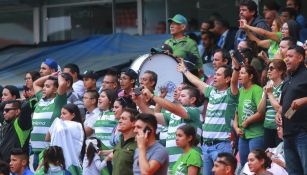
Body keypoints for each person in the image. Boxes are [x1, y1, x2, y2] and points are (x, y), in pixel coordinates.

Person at [177, 57, 239, 175]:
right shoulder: (211, 91)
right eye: (215, 74)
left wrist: (236, 69)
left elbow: (234, 82)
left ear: (227, 79)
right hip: (206, 147)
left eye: (219, 75)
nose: (214, 77)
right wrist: (185, 70)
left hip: (221, 146)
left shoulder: (231, 94)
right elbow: (196, 81)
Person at [137, 85, 202, 171]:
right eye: (179, 96)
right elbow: (152, 116)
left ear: (192, 99)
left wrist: (152, 96)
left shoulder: (195, 112)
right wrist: (138, 101)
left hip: (188, 160)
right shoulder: (173, 115)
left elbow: (173, 108)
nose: (179, 99)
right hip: (171, 164)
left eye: (183, 96)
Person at [276, 45, 307, 174]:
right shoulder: (288, 78)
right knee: (293, 172)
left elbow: (298, 102)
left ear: (300, 58)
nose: (286, 59)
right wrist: (279, 113)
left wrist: (304, 100)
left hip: (303, 132)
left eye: (290, 56)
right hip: (288, 133)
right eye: (285, 57)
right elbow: (284, 104)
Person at [31, 73, 67, 170]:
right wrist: (50, 75)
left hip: (48, 151)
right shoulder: (41, 100)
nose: (43, 88)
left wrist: (59, 75)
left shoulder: (58, 102)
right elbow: (35, 83)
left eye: (47, 86)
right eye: (44, 86)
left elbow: (63, 84)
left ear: (55, 89)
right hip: (36, 151)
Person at [233, 65, 264, 167]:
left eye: (242, 73)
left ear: (250, 76)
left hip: (256, 134)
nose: (239, 76)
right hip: (243, 135)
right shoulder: (240, 91)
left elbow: (261, 113)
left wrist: (247, 121)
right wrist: (236, 128)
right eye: (239, 73)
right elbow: (236, 113)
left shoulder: (257, 90)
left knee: (256, 165)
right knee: (244, 165)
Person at [46, 104, 85, 175]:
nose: (61, 116)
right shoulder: (60, 125)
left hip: (70, 164)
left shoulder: (76, 126)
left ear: (73, 115)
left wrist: (55, 123)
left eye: (64, 114)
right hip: (59, 163)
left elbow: (50, 135)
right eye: (61, 114)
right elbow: (47, 138)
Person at [258, 59, 286, 149]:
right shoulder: (268, 85)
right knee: (268, 156)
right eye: (268, 68)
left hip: (280, 127)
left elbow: (279, 108)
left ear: (281, 71)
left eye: (271, 68)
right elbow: (260, 111)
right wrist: (265, 93)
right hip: (267, 126)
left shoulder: (284, 86)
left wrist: (269, 94)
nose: (268, 71)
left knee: (278, 157)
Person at [112, 108, 139, 175]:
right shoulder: (118, 143)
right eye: (120, 118)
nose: (120, 121)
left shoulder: (139, 145)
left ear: (134, 123)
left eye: (123, 119)